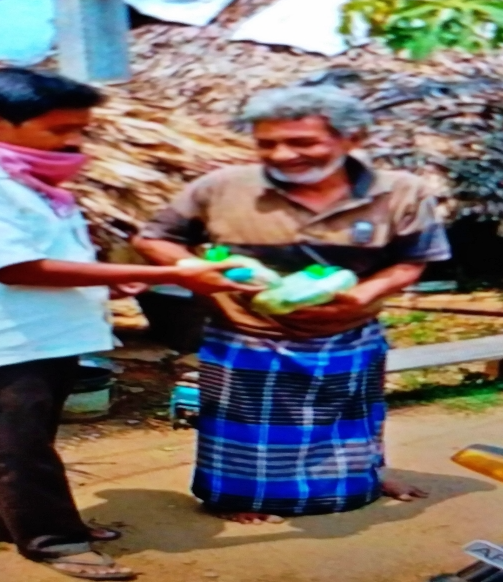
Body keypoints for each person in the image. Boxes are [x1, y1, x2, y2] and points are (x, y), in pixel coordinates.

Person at [0, 67, 256, 580]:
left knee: (13, 439)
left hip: (33, 334)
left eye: (80, 130)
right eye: (59, 130)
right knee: (13, 444)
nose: (74, 141)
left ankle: (6, 524)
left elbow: (46, 253)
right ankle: (53, 541)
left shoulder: (16, 174)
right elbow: (12, 266)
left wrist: (107, 281)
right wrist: (168, 272)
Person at [133, 86, 451, 524]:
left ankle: (364, 479)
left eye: (302, 142)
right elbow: (154, 238)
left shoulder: (401, 191)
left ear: (351, 139)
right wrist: (193, 268)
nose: (282, 155)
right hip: (247, 334)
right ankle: (235, 496)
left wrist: (358, 296)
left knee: (352, 418)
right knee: (242, 428)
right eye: (267, 143)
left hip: (350, 332)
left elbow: (412, 260)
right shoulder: (221, 187)